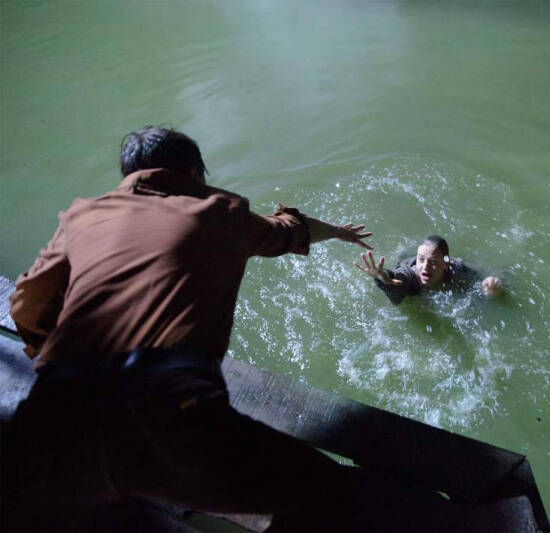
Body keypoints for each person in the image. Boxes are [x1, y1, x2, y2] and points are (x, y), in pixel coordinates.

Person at [1, 126, 470, 531]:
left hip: (47, 422)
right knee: (325, 492)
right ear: (194, 173)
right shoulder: (217, 213)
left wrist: (60, 361)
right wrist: (341, 234)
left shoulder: (83, 215)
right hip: (170, 421)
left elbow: (26, 305)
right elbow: (292, 228)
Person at [354, 235, 503, 305]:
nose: (425, 268)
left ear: (446, 264)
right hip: (405, 262)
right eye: (421, 259)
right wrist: (382, 277)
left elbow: (484, 279)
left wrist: (491, 283)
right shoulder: (411, 273)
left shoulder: (457, 270)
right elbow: (397, 278)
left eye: (432, 262)